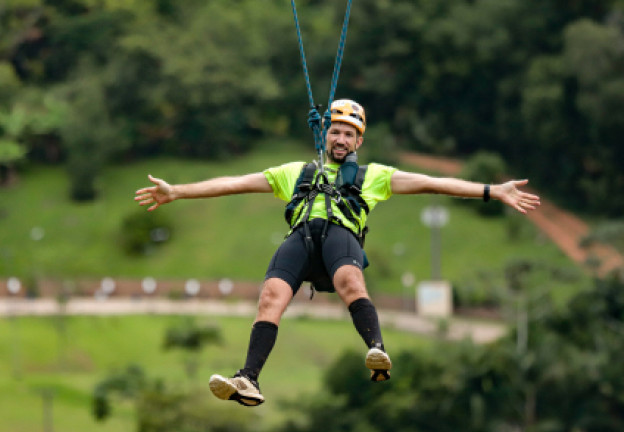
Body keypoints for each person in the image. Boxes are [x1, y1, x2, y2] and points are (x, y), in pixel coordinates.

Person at [133, 99, 541, 407]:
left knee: (350, 280)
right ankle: (249, 379)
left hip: (340, 240)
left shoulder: (373, 177)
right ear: (324, 134)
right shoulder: (296, 172)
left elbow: (434, 182)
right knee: (270, 297)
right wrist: (177, 192)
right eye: (335, 131)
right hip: (301, 241)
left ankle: (376, 349)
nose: (341, 138)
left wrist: (493, 191)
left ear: (359, 141)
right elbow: (234, 182)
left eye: (349, 134)